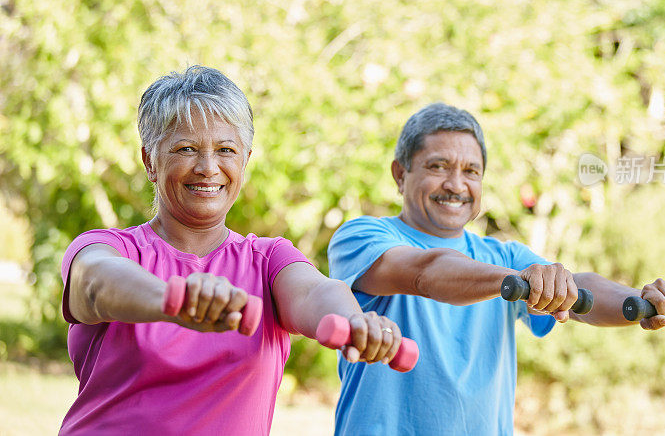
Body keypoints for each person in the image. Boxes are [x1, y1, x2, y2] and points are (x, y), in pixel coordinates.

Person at [59, 66, 406, 435]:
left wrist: (356, 323)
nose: (208, 168)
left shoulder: (268, 260)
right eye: (186, 148)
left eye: (226, 150)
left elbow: (315, 291)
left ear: (244, 160)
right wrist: (175, 301)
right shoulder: (111, 249)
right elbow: (95, 283)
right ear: (149, 162)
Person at [328, 103, 665, 436]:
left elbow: (576, 291)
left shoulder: (502, 255)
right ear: (400, 174)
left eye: (471, 171)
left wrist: (642, 300)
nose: (456, 184)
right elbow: (426, 273)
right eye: (437, 166)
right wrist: (517, 280)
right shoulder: (364, 236)